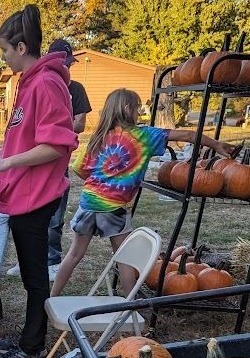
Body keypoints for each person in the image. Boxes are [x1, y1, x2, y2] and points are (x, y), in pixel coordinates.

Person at [50, 88, 236, 298]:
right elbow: (187, 135)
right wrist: (216, 144)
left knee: (74, 254)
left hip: (88, 203)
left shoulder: (100, 136)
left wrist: (101, 185)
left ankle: (52, 297)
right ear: (128, 109)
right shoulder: (143, 136)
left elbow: (79, 169)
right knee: (125, 257)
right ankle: (129, 307)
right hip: (115, 208)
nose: (139, 113)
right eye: (138, 108)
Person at [0, 4, 78, 358]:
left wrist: (4, 164)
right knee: (29, 274)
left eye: (5, 50)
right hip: (21, 196)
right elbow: (27, 139)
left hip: (36, 198)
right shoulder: (29, 82)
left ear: (21, 48)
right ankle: (26, 337)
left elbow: (55, 146)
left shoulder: (47, 83)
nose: (3, 57)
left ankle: (31, 350)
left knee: (35, 278)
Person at [6, 38, 92, 280]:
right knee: (28, 218)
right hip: (32, 160)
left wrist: (55, 130)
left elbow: (79, 124)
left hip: (55, 163)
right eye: (62, 61)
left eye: (68, 63)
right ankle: (28, 262)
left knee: (53, 217)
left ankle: (53, 258)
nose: (66, 67)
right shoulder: (39, 83)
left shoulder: (74, 89)